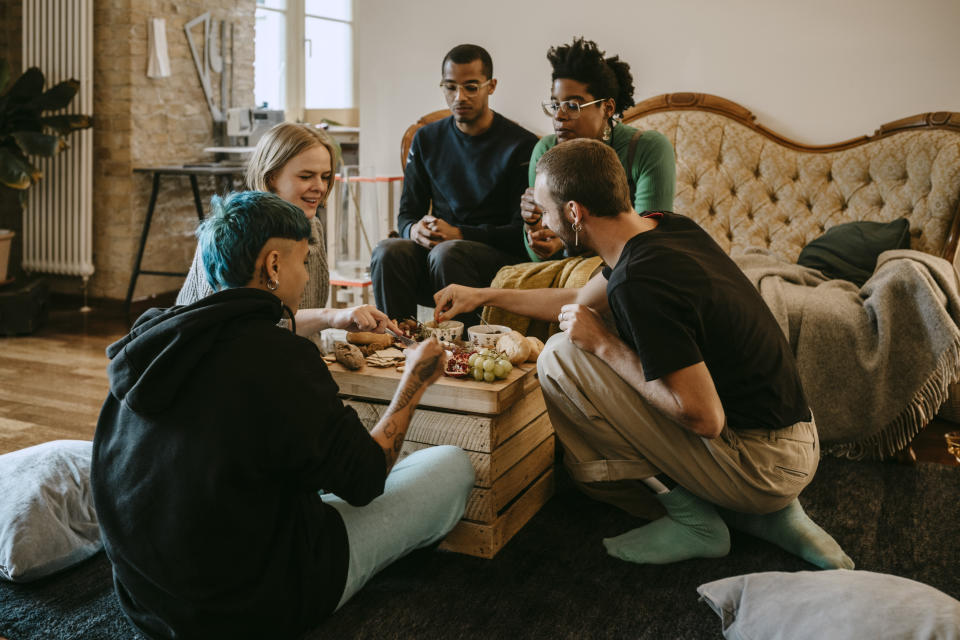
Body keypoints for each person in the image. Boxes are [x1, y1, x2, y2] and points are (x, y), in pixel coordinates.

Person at [436, 139, 853, 570]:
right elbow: (580, 297)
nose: (542, 222)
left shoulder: (640, 281)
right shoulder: (664, 226)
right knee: (587, 333)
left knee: (560, 358)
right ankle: (774, 516)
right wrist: (482, 295)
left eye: (544, 211)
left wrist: (603, 344)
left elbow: (705, 418)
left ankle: (696, 520)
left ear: (575, 213)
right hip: (795, 440)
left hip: (766, 466)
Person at [92, 191, 475, 638]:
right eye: (304, 262)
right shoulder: (282, 360)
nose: (306, 272)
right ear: (273, 266)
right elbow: (366, 480)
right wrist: (415, 382)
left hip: (148, 598)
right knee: (451, 465)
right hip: (251, 605)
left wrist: (333, 317)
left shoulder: (155, 335)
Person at [177, 122, 397, 338]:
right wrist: (330, 316)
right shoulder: (236, 233)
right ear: (271, 177)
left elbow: (291, 321)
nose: (320, 187)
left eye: (325, 177)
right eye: (306, 176)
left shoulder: (311, 226)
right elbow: (240, 329)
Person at [370, 43, 538, 324]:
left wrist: (459, 233)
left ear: (491, 86)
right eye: (450, 87)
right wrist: (415, 230)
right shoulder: (426, 140)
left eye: (471, 87)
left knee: (448, 252)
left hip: (494, 259)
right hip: (441, 253)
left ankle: (465, 352)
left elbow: (519, 234)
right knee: (388, 251)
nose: (459, 96)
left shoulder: (521, 145)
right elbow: (407, 215)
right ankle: (397, 344)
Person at [522, 37, 675, 261]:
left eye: (573, 105)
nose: (559, 116)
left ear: (607, 108)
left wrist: (570, 241)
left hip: (629, 269)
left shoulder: (647, 148)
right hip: (564, 274)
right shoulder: (545, 151)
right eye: (555, 105)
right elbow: (538, 262)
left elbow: (647, 244)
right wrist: (533, 225)